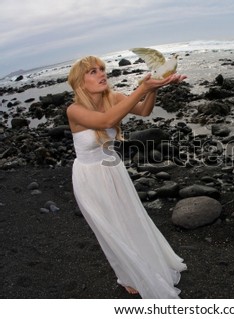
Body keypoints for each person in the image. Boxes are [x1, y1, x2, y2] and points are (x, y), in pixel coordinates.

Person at [66, 55, 187, 298]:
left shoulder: (115, 98)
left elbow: (144, 110)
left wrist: (154, 86)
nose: (101, 74)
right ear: (80, 81)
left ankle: (142, 266)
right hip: (89, 177)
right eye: (93, 71)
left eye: (102, 69)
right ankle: (126, 276)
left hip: (113, 170)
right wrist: (142, 87)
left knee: (129, 220)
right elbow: (107, 120)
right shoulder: (74, 110)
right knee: (109, 229)